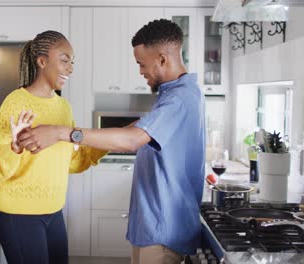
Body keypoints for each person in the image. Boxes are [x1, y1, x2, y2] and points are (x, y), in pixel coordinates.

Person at [17, 19, 205, 264]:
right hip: (154, 227)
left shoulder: (179, 98)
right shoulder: (174, 93)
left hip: (163, 231)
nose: (140, 72)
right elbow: (138, 130)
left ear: (161, 59)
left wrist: (60, 132)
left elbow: (132, 140)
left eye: (141, 64)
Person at [0, 30, 107, 264]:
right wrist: (14, 148)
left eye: (72, 62)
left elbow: (70, 162)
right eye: (64, 60)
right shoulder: (16, 102)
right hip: (19, 217)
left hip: (54, 213)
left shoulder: (63, 108)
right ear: (42, 61)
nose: (70, 68)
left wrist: (107, 144)